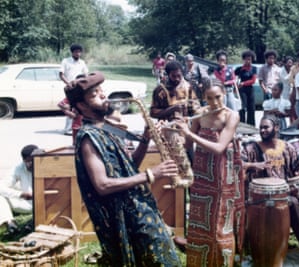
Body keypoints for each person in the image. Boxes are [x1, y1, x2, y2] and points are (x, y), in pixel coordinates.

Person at [64, 71, 181, 266]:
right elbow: (102, 185)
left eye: (101, 90)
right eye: (94, 94)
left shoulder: (106, 127)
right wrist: (152, 174)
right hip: (122, 217)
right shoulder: (87, 138)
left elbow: (129, 167)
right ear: (82, 106)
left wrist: (145, 138)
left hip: (138, 208)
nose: (103, 95)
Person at [175, 78, 245, 267]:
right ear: (203, 98)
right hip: (202, 172)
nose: (215, 103)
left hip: (224, 173)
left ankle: (224, 262)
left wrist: (190, 134)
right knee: (201, 219)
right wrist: (174, 132)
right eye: (209, 99)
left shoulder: (231, 116)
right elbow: (187, 145)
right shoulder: (199, 115)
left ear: (224, 94)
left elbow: (220, 147)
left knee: (221, 219)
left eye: (218, 97)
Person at [242, 115, 299, 266]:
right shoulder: (252, 148)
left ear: (276, 128)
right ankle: (249, 252)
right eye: (261, 127)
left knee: (293, 203)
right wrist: (253, 166)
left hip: (284, 196)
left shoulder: (287, 147)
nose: (262, 130)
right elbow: (238, 164)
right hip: (257, 198)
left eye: (266, 127)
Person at [0, 144, 42, 235]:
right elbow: (1, 187)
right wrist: (21, 194)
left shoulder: (47, 165)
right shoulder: (19, 168)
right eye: (28, 161)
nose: (31, 164)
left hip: (45, 205)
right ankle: (10, 224)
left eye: (33, 160)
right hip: (27, 204)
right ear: (23, 161)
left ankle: (33, 222)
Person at [59, 44, 89, 136]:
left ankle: (80, 126)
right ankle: (67, 129)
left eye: (79, 52)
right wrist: (68, 83)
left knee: (80, 108)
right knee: (70, 108)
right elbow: (61, 74)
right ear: (72, 52)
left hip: (80, 88)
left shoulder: (82, 62)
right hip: (70, 88)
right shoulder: (66, 61)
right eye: (76, 52)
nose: (78, 53)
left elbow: (86, 74)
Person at [235, 50, 257, 126]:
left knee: (251, 109)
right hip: (242, 90)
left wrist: (243, 83)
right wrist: (235, 86)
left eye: (250, 59)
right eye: (246, 59)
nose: (248, 61)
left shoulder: (254, 68)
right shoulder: (239, 69)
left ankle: (251, 127)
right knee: (242, 108)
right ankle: (242, 126)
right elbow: (234, 78)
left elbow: (253, 80)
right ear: (243, 59)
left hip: (250, 90)